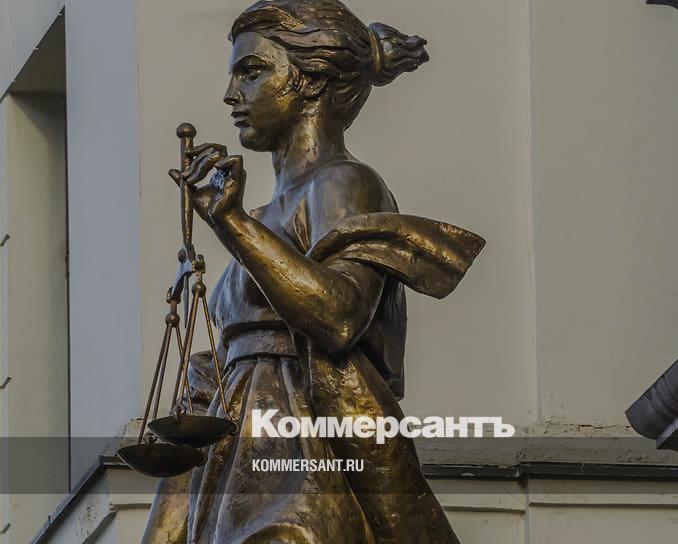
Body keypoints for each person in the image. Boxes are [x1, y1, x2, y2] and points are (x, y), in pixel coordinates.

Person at [141, 1, 483, 542]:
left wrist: (232, 225)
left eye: (251, 72)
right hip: (236, 467)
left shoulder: (343, 183)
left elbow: (339, 316)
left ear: (313, 81)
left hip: (306, 460)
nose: (231, 94)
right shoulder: (259, 217)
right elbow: (215, 382)